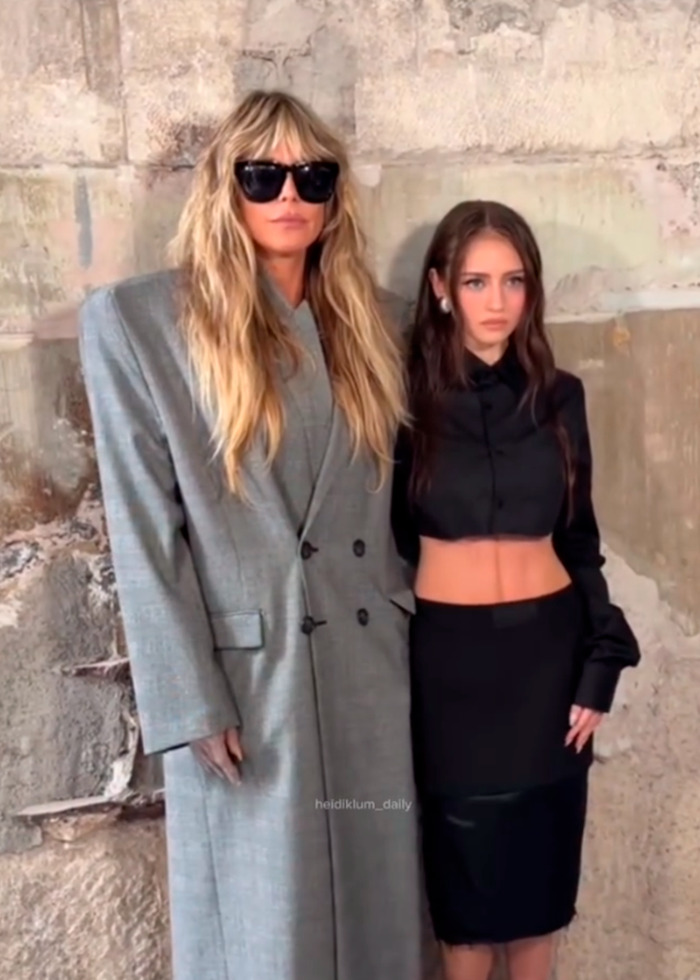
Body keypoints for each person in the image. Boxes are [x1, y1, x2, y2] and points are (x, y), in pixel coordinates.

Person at [79, 90, 423, 980]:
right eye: (261, 174)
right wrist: (189, 697)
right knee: (266, 936)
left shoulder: (380, 322)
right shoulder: (143, 322)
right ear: (223, 186)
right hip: (248, 680)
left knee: (380, 921)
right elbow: (145, 529)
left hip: (367, 665)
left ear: (336, 193)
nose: (288, 195)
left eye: (312, 175)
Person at [391, 200, 641, 980]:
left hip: (549, 664)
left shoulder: (560, 397)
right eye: (475, 281)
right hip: (450, 673)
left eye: (514, 281)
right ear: (439, 287)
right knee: (464, 918)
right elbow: (386, 541)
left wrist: (599, 665)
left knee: (539, 908)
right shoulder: (398, 399)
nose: (496, 301)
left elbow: (579, 539)